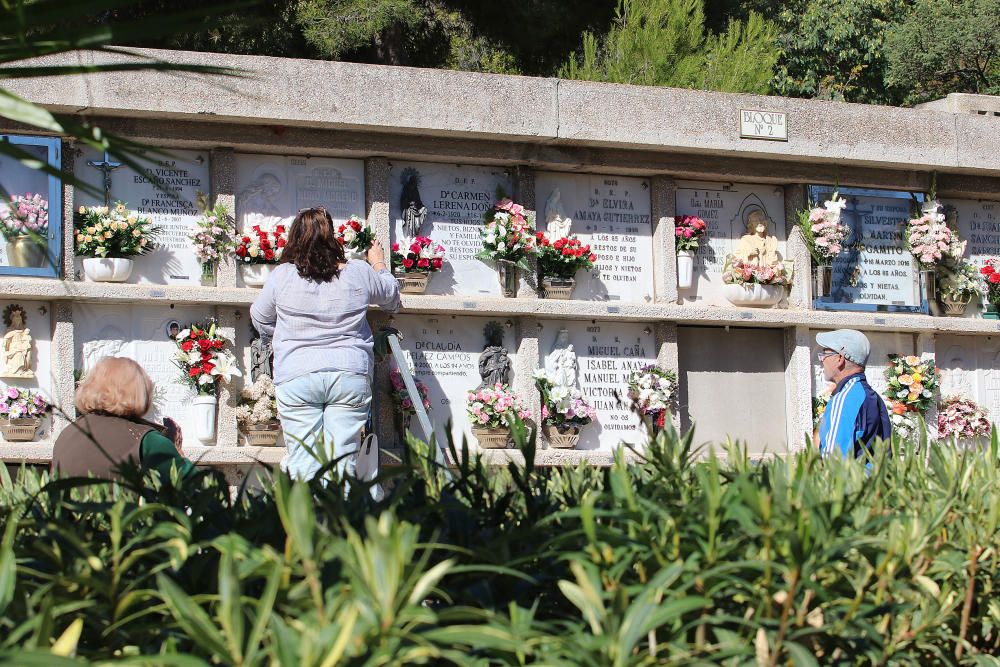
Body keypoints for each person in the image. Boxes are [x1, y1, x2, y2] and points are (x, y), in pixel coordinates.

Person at [250, 207, 400, 481]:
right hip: (348, 374)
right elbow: (392, 298)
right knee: (342, 463)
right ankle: (338, 522)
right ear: (333, 237)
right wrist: (378, 263)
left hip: (297, 375)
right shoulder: (358, 272)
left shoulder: (282, 276)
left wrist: (284, 338)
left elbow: (259, 318)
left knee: (303, 463)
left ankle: (304, 521)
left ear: (295, 236)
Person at [51, 356, 194, 480]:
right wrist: (177, 453)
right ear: (140, 392)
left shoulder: (66, 434)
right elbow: (200, 488)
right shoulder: (146, 440)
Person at [815, 329, 891, 459]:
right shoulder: (871, 396)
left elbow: (833, 462)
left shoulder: (845, 399)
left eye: (824, 355)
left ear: (840, 358)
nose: (822, 360)